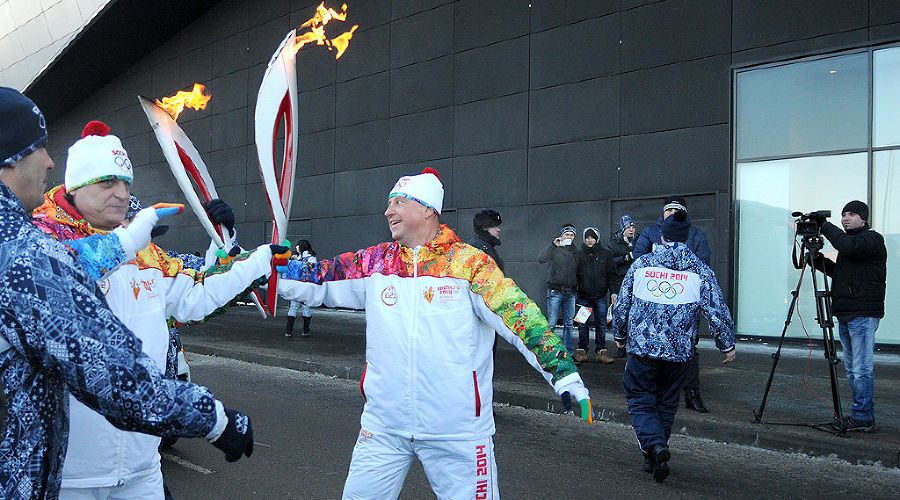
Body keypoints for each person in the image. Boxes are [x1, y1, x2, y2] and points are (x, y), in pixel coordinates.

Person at [277, 168, 593, 499]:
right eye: (389, 204)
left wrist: (565, 377)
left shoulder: (469, 265)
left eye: (398, 202)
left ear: (428, 208)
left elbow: (522, 319)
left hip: (457, 433)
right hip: (384, 427)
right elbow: (318, 278)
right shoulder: (376, 263)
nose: (388, 211)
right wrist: (269, 267)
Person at [0, 87, 253, 498]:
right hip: (73, 478)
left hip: (140, 468)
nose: (121, 193)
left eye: (125, 182)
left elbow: (195, 291)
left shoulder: (142, 247)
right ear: (76, 187)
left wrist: (231, 248)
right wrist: (213, 420)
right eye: (106, 182)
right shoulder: (35, 244)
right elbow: (107, 369)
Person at [612, 209, 735, 482]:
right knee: (666, 403)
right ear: (687, 237)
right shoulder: (700, 270)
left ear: (663, 237)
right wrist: (726, 344)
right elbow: (716, 309)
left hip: (643, 349)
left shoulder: (642, 265)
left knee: (640, 398)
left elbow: (622, 305)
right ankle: (654, 454)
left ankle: (654, 446)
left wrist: (619, 335)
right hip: (679, 353)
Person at [633, 196, 713, 412]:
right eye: (668, 210)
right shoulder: (650, 232)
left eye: (676, 210)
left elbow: (703, 262)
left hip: (684, 304)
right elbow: (638, 259)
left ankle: (692, 393)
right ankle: (656, 394)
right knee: (651, 347)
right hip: (654, 302)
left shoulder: (697, 235)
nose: (672, 213)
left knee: (688, 347)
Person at [816, 201, 886, 433]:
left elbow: (849, 247)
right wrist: (815, 259)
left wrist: (824, 226)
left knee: (861, 369)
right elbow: (840, 273)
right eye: (843, 214)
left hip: (863, 314)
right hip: (846, 313)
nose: (846, 218)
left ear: (864, 219)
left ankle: (864, 417)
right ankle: (860, 413)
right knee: (851, 369)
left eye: (852, 214)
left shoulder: (871, 240)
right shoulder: (851, 245)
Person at [574, 226, 617, 364]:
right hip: (583, 297)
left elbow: (611, 275)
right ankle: (582, 352)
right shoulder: (579, 254)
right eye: (587, 237)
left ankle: (601, 352)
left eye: (592, 237)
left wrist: (614, 292)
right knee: (582, 324)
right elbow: (573, 274)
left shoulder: (606, 254)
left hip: (600, 296)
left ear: (597, 239)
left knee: (601, 324)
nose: (590, 240)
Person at [537, 224, 579, 356]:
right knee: (552, 323)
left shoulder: (575, 251)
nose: (569, 237)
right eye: (567, 234)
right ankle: (547, 352)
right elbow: (541, 259)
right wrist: (553, 245)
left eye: (572, 235)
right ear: (561, 235)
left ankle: (569, 353)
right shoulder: (554, 248)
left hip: (570, 292)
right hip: (555, 291)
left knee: (569, 325)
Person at [609, 215, 637, 358]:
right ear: (622, 228)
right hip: (620, 282)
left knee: (635, 315)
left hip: (636, 282)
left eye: (633, 227)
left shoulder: (639, 241)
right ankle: (620, 345)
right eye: (628, 227)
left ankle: (632, 346)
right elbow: (610, 264)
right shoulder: (613, 243)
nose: (631, 229)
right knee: (620, 315)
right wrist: (625, 258)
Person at [285, 239, 317, 337]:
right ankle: (291, 331)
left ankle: (302, 330)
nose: (296, 247)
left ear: (302, 246)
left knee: (304, 307)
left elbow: (312, 270)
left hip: (305, 286)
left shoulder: (311, 258)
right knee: (296, 307)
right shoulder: (296, 257)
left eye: (298, 245)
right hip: (297, 285)